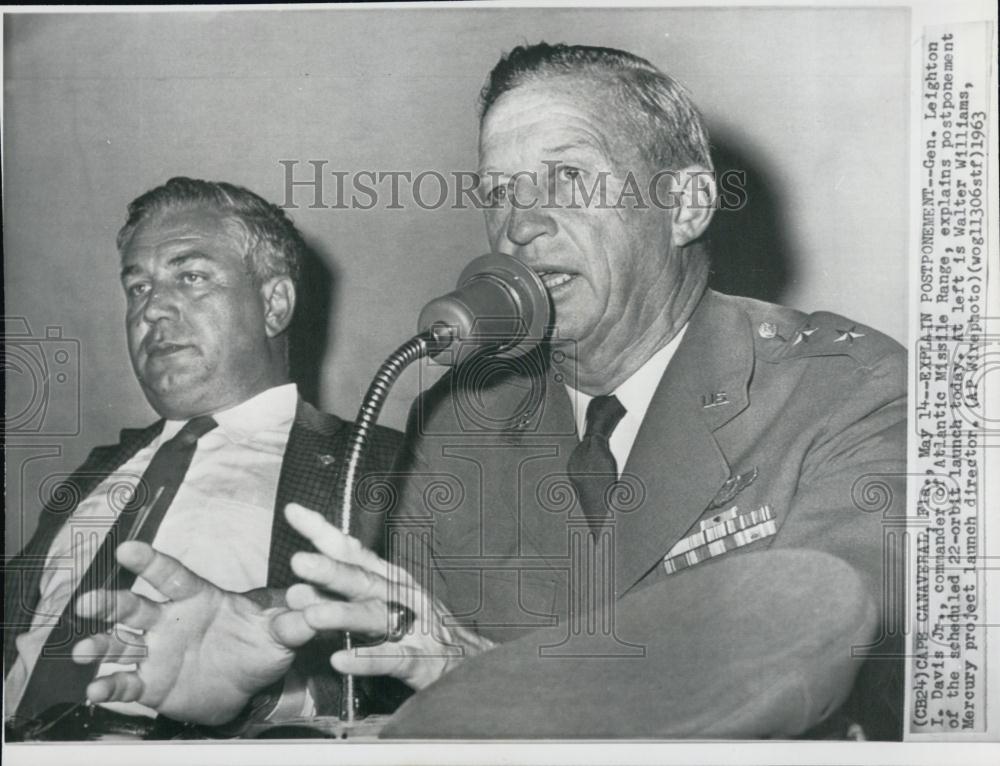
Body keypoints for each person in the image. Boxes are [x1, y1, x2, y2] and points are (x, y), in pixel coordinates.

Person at [64, 43, 907, 739]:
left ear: (685, 203)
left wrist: (488, 682)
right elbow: (398, 665)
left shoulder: (844, 389)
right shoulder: (461, 421)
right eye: (497, 192)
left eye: (567, 177)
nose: (520, 223)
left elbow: (816, 669)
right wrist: (267, 680)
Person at [3, 177, 403, 739]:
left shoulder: (378, 463)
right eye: (137, 287)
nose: (153, 310)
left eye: (190, 277)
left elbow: (444, 659)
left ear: (274, 303)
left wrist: (267, 695)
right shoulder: (97, 468)